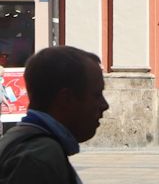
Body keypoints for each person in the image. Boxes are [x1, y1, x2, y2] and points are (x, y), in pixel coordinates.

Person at [0, 45, 108, 183]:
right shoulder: (38, 159)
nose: (104, 105)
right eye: (97, 95)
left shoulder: (18, 139)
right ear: (66, 99)